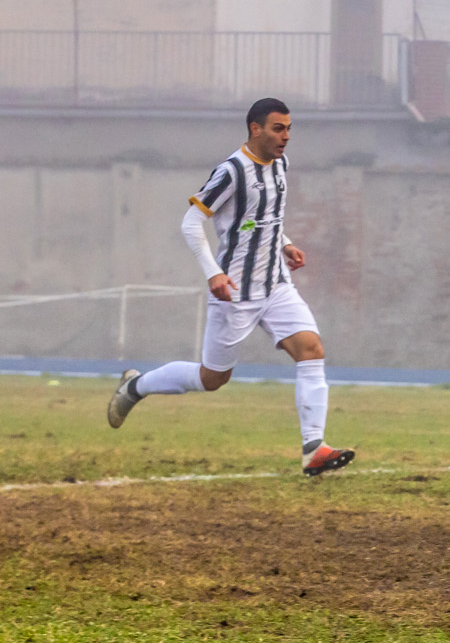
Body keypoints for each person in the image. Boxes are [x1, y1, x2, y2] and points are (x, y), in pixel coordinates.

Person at [105, 98, 355, 477]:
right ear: (255, 129)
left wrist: (284, 243)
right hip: (234, 290)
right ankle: (137, 387)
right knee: (212, 378)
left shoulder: (281, 164)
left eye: (288, 128)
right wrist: (213, 273)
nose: (286, 136)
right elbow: (191, 222)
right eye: (278, 128)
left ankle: (313, 448)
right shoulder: (232, 171)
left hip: (275, 284)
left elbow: (263, 217)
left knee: (311, 349)